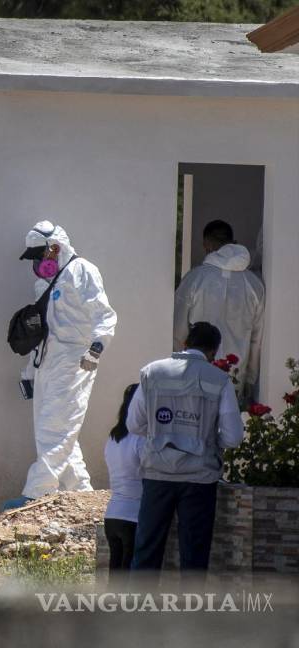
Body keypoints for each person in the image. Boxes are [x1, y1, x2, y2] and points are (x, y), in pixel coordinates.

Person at [5, 221, 117, 510]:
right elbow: (44, 331)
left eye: (39, 254)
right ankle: (82, 494)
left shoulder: (83, 271)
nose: (38, 261)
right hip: (48, 361)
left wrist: (97, 347)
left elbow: (104, 315)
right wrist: (29, 371)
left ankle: (36, 492)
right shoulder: (45, 282)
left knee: (56, 427)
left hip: (75, 360)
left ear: (55, 247)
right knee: (54, 427)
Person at [128, 322, 245, 575]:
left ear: (185, 344)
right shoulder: (219, 380)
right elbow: (233, 436)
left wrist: (161, 433)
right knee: (194, 553)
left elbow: (133, 424)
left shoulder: (151, 372)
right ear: (213, 352)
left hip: (157, 474)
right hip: (199, 478)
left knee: (147, 548)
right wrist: (211, 442)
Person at [173, 219, 265, 403]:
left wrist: (177, 367)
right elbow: (257, 339)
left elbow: (178, 330)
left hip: (196, 374)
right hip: (236, 376)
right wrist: (251, 380)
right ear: (233, 242)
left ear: (207, 244)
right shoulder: (254, 284)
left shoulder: (194, 279)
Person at [104, 383, 142, 583]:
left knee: (115, 578)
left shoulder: (113, 437)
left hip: (112, 515)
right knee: (128, 580)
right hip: (133, 516)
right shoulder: (140, 438)